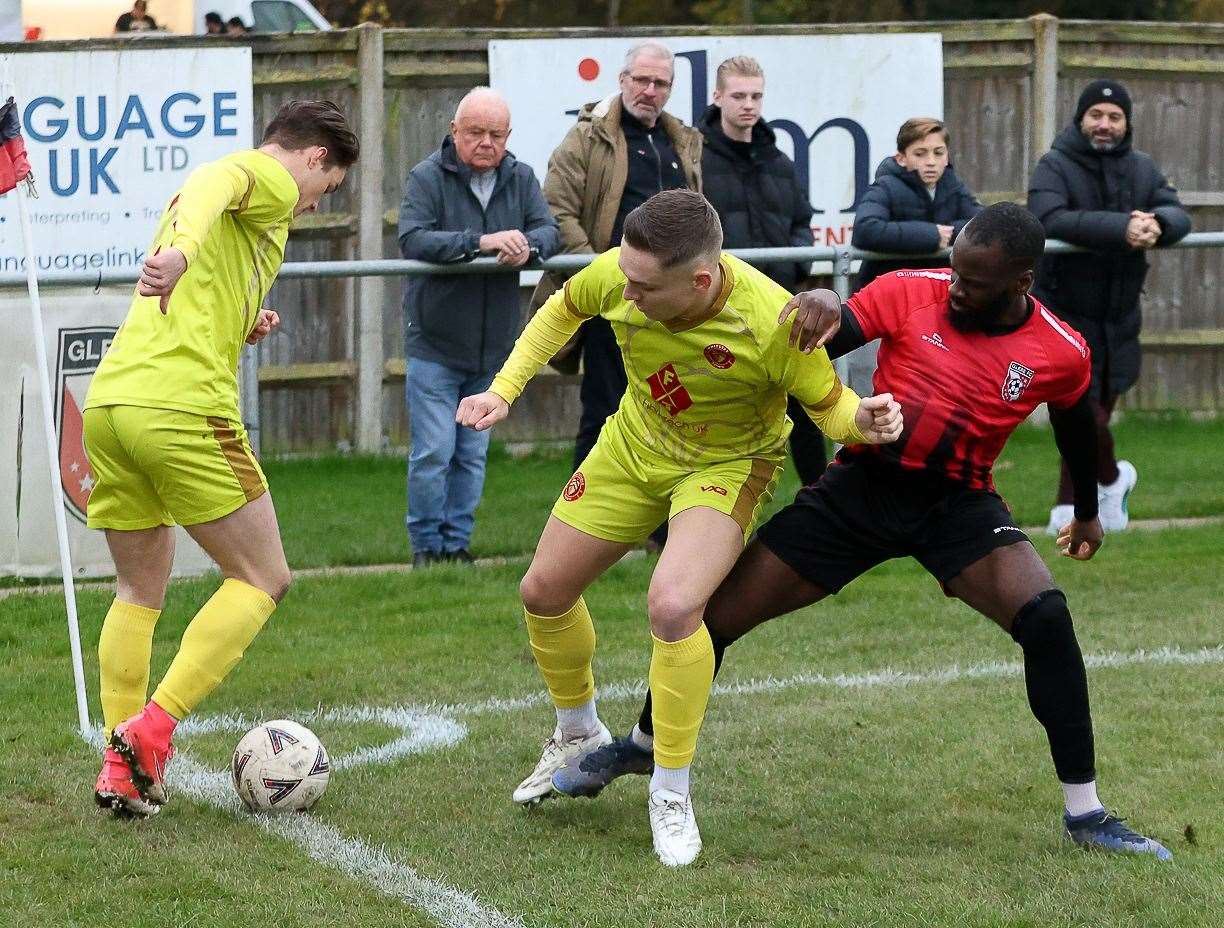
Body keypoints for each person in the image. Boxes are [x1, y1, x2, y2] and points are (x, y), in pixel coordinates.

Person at [554, 202, 1174, 863]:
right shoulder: (908, 290)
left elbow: (1082, 431)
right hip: (860, 492)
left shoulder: (1060, 349)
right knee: (707, 615)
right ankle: (645, 748)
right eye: (954, 269)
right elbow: (811, 356)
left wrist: (1084, 512)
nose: (955, 286)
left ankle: (1087, 814)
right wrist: (820, 301)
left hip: (958, 507)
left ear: (1021, 282)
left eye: (973, 281)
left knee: (1047, 619)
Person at [456, 189, 902, 867]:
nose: (626, 294)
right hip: (633, 446)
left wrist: (864, 423)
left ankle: (669, 788)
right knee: (542, 592)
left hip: (726, 465)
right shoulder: (621, 271)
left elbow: (832, 407)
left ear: (699, 280)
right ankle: (576, 730)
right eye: (624, 278)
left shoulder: (770, 322)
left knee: (672, 605)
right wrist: (502, 390)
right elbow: (563, 308)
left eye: (643, 287)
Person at [85, 100, 359, 818]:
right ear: (315, 158)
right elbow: (216, 183)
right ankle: (152, 732)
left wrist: (245, 318)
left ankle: (121, 766)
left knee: (137, 588)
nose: (310, 203)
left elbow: (209, 264)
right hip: (181, 409)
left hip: (112, 406)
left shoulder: (249, 220)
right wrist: (178, 247)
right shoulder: (266, 175)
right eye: (323, 190)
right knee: (263, 576)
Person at [398, 88, 559, 567]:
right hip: (435, 341)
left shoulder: (522, 177)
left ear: (508, 137)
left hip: (494, 346)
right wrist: (481, 243)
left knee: (471, 454)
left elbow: (551, 231)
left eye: (497, 134)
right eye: (476, 133)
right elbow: (413, 237)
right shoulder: (426, 177)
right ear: (454, 132)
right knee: (433, 451)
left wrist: (528, 247)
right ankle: (426, 547)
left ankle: (457, 545)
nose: (487, 143)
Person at [534, 41, 702, 484]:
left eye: (659, 82)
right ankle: (579, 524)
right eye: (641, 79)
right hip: (616, 301)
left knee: (676, 415)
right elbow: (556, 211)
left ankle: (663, 529)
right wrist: (601, 276)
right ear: (622, 81)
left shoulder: (682, 142)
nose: (649, 90)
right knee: (604, 416)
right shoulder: (586, 137)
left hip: (674, 308)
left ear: (670, 88)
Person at [1028, 79, 1191, 535]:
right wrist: (1122, 228)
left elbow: (1179, 213)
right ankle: (1113, 479)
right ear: (1080, 119)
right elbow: (1048, 218)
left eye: (1114, 116)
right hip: (1064, 313)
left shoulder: (1142, 167)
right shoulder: (1054, 165)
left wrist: (1157, 223)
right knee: (1080, 416)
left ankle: (1073, 509)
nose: (1105, 124)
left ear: (1126, 123)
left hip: (1119, 317)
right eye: (1096, 115)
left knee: (1093, 416)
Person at [700, 54, 826, 485]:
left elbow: (800, 224)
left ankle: (822, 503)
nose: (748, 104)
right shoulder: (695, 160)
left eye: (756, 95)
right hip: (719, 310)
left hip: (780, 308)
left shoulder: (779, 162)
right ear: (717, 97)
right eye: (738, 95)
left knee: (806, 409)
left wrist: (797, 260)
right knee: (720, 414)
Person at [852, 116, 983, 290]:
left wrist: (948, 235)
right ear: (901, 158)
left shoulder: (952, 184)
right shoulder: (885, 186)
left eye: (938, 153)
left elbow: (982, 223)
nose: (931, 162)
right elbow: (865, 230)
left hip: (937, 292)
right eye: (920, 154)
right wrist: (932, 235)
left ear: (947, 156)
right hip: (889, 293)